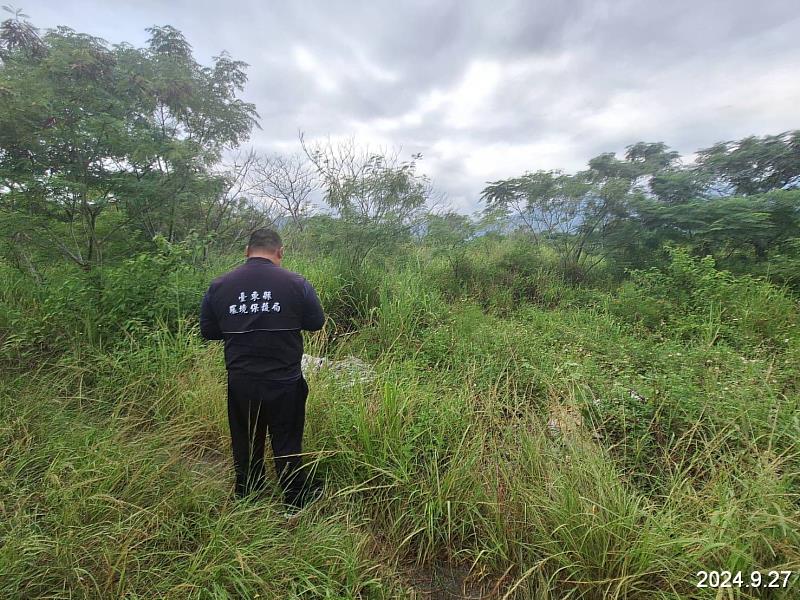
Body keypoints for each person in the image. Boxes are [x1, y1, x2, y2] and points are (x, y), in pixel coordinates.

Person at [199, 228, 325, 509]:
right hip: (285, 380)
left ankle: (248, 494)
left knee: (244, 438)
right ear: (280, 252)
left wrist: (240, 329)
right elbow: (316, 322)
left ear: (247, 251)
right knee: (287, 439)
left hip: (241, 380)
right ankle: (294, 501)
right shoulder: (296, 283)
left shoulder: (220, 285)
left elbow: (208, 331)